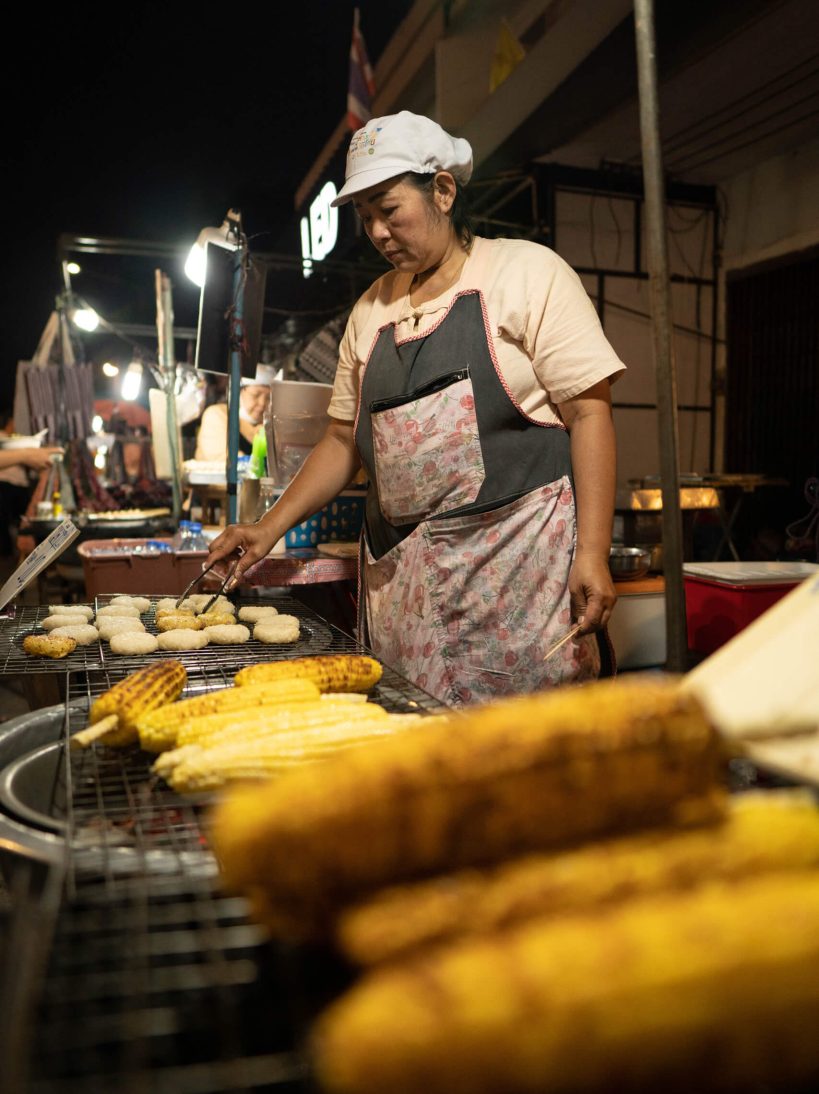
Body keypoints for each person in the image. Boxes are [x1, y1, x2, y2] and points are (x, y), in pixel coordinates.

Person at [208, 111, 626, 706]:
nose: (377, 231)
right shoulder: (370, 312)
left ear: (444, 191)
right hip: (406, 602)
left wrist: (592, 552)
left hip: (518, 593)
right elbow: (340, 441)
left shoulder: (526, 274)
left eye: (389, 208)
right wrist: (266, 528)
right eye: (364, 216)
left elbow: (590, 413)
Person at [194, 365, 276, 462]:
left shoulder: (268, 425)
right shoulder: (217, 415)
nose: (262, 404)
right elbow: (225, 459)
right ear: (237, 392)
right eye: (256, 395)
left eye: (268, 398)